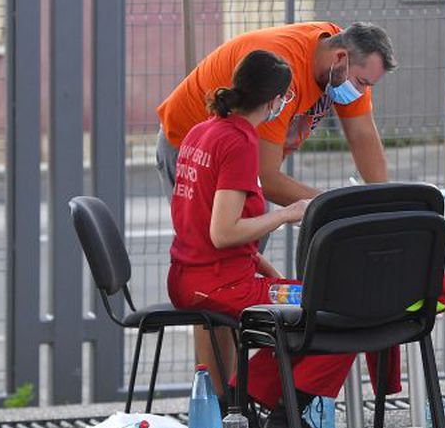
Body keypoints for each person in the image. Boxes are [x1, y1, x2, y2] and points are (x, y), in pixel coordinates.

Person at [157, 21, 397, 387]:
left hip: (202, 253)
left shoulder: (342, 63)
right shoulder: (270, 93)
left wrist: (384, 207)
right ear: (341, 58)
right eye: (362, 83)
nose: (361, 91)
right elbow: (258, 189)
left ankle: (241, 400)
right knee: (311, 303)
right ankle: (226, 402)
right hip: (194, 150)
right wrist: (329, 209)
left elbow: (363, 135)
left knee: (244, 277)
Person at [168, 49, 357, 428]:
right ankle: (278, 410)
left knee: (310, 302)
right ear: (275, 101)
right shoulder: (239, 143)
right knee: (342, 308)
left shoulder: (204, 129)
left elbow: (201, 222)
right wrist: (289, 213)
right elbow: (222, 232)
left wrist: (261, 264)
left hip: (194, 275)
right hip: (220, 284)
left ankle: (251, 401)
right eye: (287, 99)